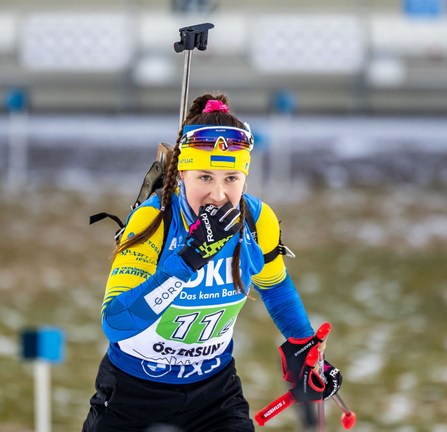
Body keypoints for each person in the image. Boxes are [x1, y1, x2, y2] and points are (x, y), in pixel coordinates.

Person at [82, 94, 342, 432]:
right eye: (205, 177)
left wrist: (305, 348)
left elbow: (275, 286)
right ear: (182, 174)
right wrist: (188, 259)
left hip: (214, 394)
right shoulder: (155, 221)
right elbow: (116, 323)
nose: (218, 195)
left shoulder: (256, 220)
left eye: (231, 178)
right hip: (133, 392)